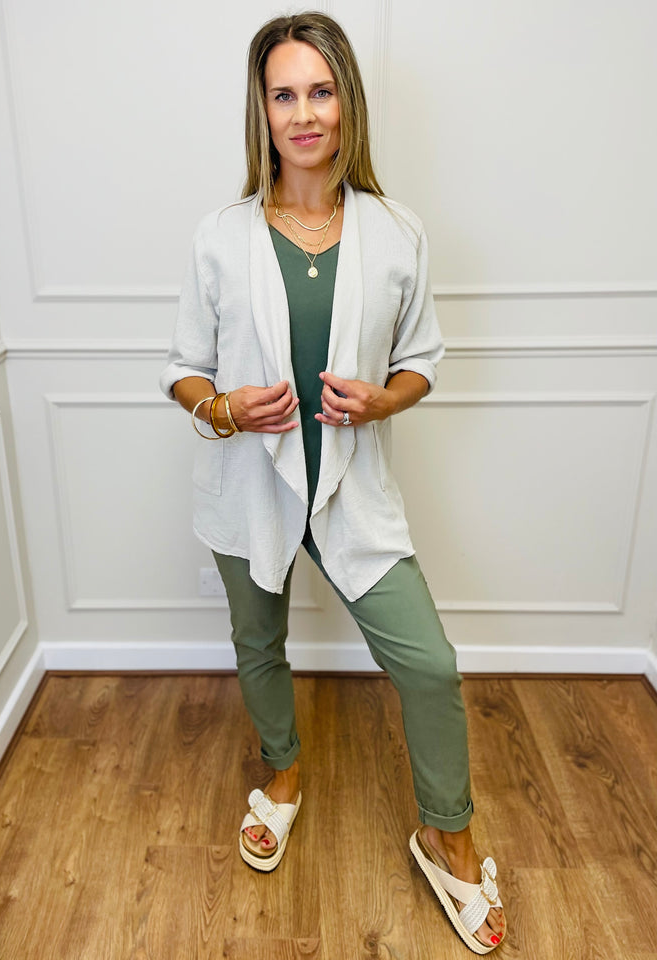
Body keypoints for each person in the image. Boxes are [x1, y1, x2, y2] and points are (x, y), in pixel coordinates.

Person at [160, 12, 506, 953]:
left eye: (320, 91)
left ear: (347, 101)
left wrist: (383, 401)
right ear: (262, 111)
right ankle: (281, 774)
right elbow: (182, 370)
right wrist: (226, 408)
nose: (304, 113)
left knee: (428, 664)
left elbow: (422, 359)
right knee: (259, 644)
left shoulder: (398, 232)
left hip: (351, 491)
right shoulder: (220, 236)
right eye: (284, 95)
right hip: (248, 487)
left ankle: (448, 835)